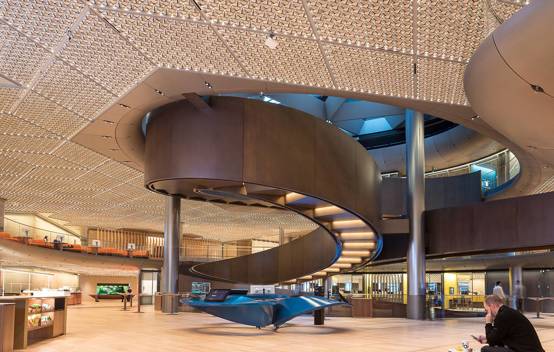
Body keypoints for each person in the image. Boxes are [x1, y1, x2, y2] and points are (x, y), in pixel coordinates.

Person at [475, 295, 544, 352]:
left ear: (492, 306)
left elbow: (492, 340)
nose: (487, 313)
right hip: (531, 350)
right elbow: (498, 338)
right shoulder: (507, 312)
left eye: (487, 310)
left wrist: (488, 323)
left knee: (485, 349)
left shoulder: (503, 315)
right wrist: (487, 339)